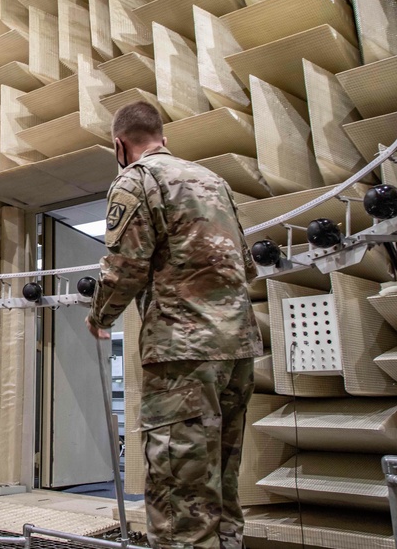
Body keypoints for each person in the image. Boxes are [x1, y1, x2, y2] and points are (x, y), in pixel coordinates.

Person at [86, 102, 263, 549]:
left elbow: (124, 267)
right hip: (238, 350)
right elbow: (248, 267)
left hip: (182, 354)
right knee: (221, 482)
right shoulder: (214, 181)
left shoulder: (136, 179)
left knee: (180, 493)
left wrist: (100, 317)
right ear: (163, 136)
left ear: (119, 144)